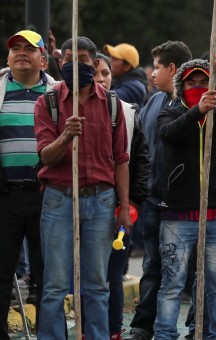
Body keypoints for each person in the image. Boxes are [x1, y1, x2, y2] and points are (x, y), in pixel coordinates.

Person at [33, 36, 131, 339]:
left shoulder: (113, 104)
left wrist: (124, 207)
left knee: (96, 285)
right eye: (69, 60)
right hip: (58, 199)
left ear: (95, 63)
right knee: (54, 286)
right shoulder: (47, 102)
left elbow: (121, 160)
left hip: (100, 202)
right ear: (60, 63)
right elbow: (45, 156)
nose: (76, 65)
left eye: (84, 59)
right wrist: (65, 136)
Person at [152, 54, 216, 340]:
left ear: (213, 86)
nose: (197, 85)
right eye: (191, 82)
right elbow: (168, 134)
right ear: (180, 87)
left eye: (203, 81)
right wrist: (197, 110)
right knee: (172, 285)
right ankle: (164, 335)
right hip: (177, 215)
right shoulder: (169, 112)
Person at [123, 40, 192, 340]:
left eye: (158, 67)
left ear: (173, 69)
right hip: (152, 201)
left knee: (187, 271)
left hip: (181, 203)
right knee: (152, 264)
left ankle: (193, 326)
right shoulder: (153, 102)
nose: (152, 73)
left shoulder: (193, 106)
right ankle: (143, 326)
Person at [0, 29, 55, 339]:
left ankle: (50, 333)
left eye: (29, 48)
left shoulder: (58, 93)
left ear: (43, 59)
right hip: (5, 196)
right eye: (15, 48)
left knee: (48, 275)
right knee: (2, 272)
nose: (21, 52)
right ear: (8, 58)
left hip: (48, 196)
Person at [94, 52, 150, 339]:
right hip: (85, 204)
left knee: (113, 274)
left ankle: (114, 330)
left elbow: (140, 160)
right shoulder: (69, 110)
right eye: (95, 73)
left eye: (105, 72)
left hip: (120, 207)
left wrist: (133, 204)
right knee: (89, 276)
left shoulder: (127, 111)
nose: (101, 79)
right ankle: (89, 331)